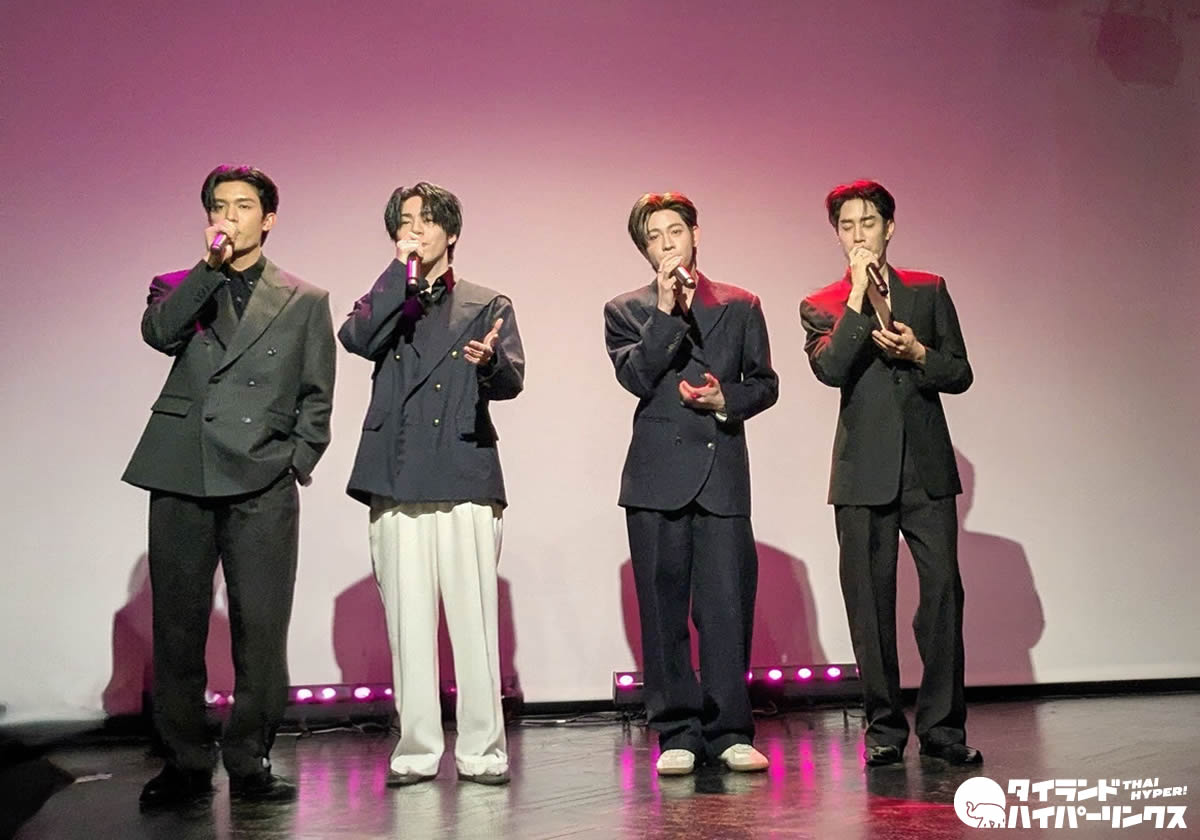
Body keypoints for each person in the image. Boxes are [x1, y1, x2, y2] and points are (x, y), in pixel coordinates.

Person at [123, 164, 336, 807]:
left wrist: (295, 458)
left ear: (267, 220)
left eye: (243, 206)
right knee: (178, 627)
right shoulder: (177, 285)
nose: (229, 217)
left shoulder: (304, 299)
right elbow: (160, 334)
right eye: (219, 206)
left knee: (261, 628)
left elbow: (316, 394)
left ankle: (249, 760)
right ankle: (185, 762)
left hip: (262, 476)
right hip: (182, 468)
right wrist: (208, 269)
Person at [339, 182, 524, 786]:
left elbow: (512, 380)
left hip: (463, 466)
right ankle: (416, 750)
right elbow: (356, 339)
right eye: (404, 221)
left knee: (473, 623)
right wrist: (399, 277)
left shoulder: (486, 302)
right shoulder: (387, 298)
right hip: (396, 471)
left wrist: (489, 363)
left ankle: (483, 750)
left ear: (452, 233)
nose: (414, 229)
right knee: (409, 625)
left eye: (426, 220)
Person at [799, 180, 980, 766]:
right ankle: (883, 730)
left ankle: (944, 730)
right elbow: (831, 368)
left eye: (868, 223)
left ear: (889, 227)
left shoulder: (928, 290)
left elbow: (960, 372)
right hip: (862, 473)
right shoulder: (821, 303)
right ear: (836, 234)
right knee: (869, 602)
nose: (858, 235)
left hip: (925, 468)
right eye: (847, 225)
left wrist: (918, 354)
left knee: (943, 595)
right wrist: (857, 296)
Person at [604, 192, 778, 777]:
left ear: (695, 234)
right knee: (663, 612)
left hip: (721, 473)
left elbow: (766, 383)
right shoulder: (626, 310)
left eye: (674, 231)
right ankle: (677, 731)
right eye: (654, 237)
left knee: (726, 608)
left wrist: (727, 399)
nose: (667, 244)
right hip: (655, 479)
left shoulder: (740, 304)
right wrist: (664, 310)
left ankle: (730, 730)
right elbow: (637, 377)